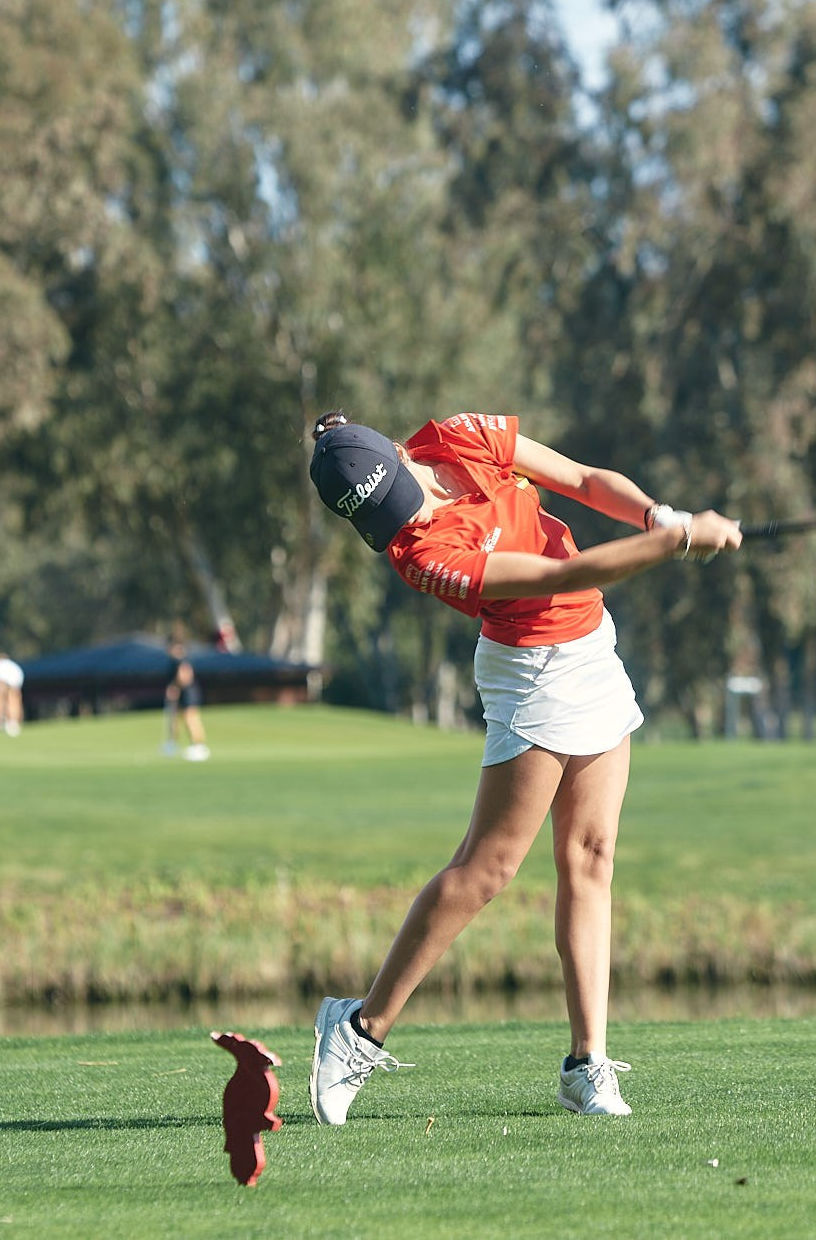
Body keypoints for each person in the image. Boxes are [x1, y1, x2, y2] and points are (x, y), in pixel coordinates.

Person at [304, 408, 741, 1124]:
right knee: (488, 868)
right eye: (385, 517)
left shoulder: (458, 434)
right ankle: (358, 1029)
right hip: (531, 671)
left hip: (590, 645)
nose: (402, 519)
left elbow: (581, 478)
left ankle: (586, 1063)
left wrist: (664, 514)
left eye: (400, 495)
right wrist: (677, 542)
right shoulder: (420, 554)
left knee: (592, 854)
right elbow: (562, 570)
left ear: (398, 455)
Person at [163, 640, 209, 762]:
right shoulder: (174, 662)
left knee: (191, 719)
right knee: (179, 719)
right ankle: (175, 743)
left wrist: (175, 687)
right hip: (184, 694)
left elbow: (185, 677)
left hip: (189, 693)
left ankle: (199, 746)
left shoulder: (182, 661)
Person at [0, 652, 25, 737]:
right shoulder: (12, 665)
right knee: (11, 701)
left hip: (6, 682)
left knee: (2, 700)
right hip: (13, 682)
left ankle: (1, 721)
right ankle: (7, 722)